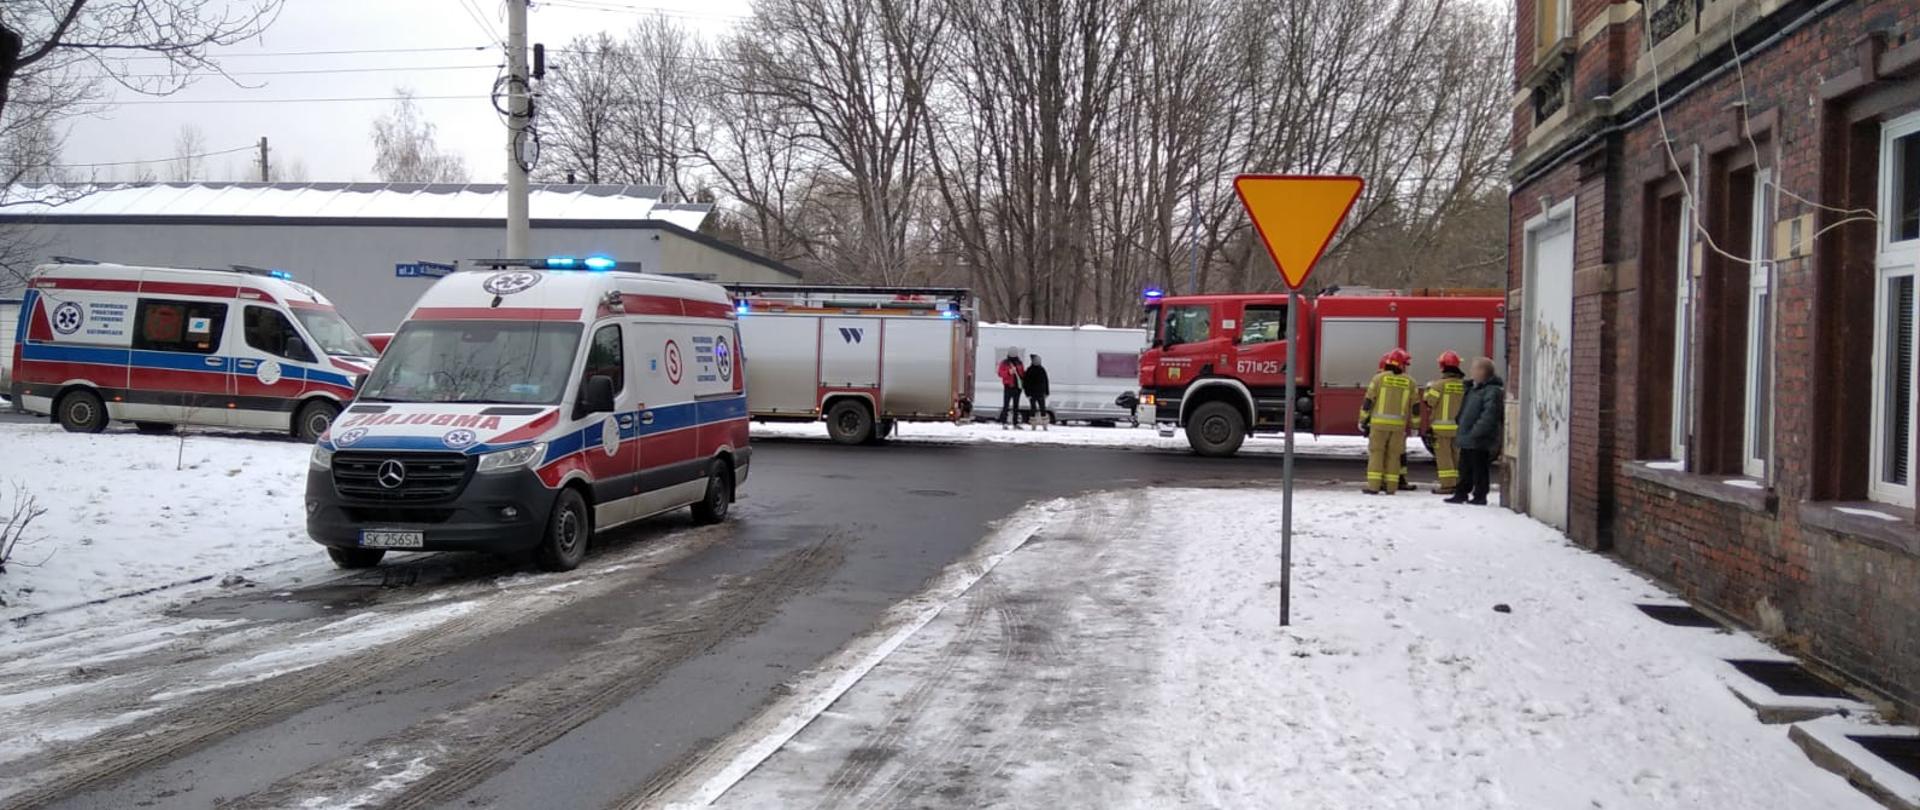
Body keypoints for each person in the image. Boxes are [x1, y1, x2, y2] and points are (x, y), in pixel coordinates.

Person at [1359, 348, 1418, 495]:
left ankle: (1374, 486)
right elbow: (1415, 406)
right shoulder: (1410, 382)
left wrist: (1362, 420)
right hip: (1398, 427)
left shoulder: (1378, 379)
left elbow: (1368, 401)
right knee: (1394, 455)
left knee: (1376, 454)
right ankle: (1391, 487)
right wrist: (1415, 426)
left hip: (1378, 425)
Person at [1448, 356, 1505, 505]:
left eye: (1474, 368)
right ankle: (1461, 493)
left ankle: (1480, 496)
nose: (1471, 372)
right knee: (1464, 467)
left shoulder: (1492, 391)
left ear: (1482, 371)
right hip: (1468, 435)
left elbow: (1489, 415)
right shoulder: (1473, 389)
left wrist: (1476, 432)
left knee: (1479, 468)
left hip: (1479, 438)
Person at [1422, 350, 1469, 496]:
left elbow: (1429, 402)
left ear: (1442, 366)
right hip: (1459, 427)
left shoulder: (1438, 385)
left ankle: (1447, 485)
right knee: (1456, 456)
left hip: (1441, 428)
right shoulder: (1464, 385)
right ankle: (1457, 483)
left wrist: (1427, 390)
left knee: (1444, 457)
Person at [1023, 353, 1052, 431]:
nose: (1037, 362)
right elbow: (1025, 383)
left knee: (1043, 409)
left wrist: (1047, 392)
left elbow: (1046, 381)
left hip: (1041, 392)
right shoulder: (1029, 370)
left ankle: (1044, 425)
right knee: (1033, 409)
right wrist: (1027, 393)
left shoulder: (1042, 369)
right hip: (1032, 393)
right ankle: (1033, 425)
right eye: (1036, 360)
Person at [997, 351, 1025, 430]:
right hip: (1008, 386)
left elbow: (1022, 374)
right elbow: (1000, 373)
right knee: (1006, 405)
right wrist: (1009, 372)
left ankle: (1015, 423)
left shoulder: (1019, 363)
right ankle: (1004, 422)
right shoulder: (1004, 363)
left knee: (1016, 406)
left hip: (1017, 387)